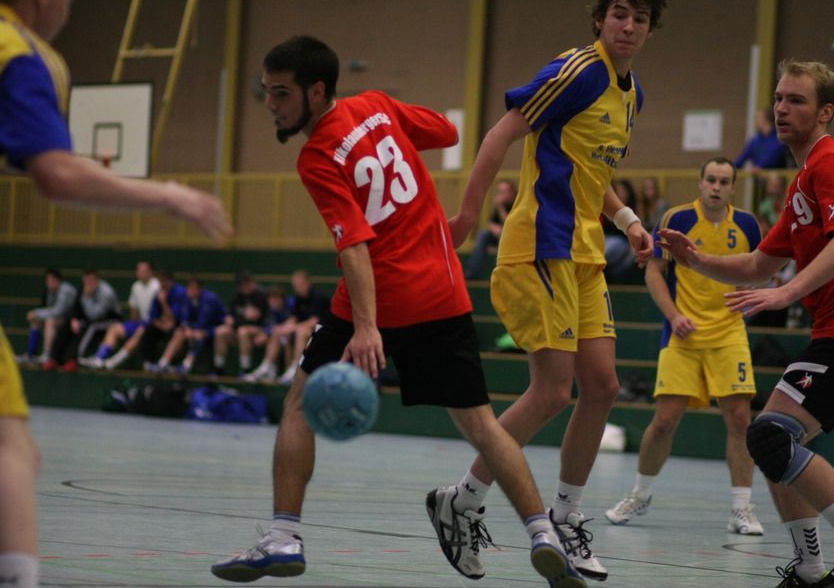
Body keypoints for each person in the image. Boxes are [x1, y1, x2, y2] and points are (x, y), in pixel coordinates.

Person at [210, 35, 586, 587]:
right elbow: (448, 132)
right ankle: (542, 533)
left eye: (282, 93)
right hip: (443, 289)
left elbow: (354, 243)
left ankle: (284, 536)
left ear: (317, 92)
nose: (271, 104)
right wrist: (392, 135)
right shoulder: (377, 105)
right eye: (266, 92)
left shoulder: (316, 157)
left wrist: (366, 327)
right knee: (483, 426)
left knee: (299, 403)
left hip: (380, 293)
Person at [0, 0, 230, 585]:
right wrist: (170, 195)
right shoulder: (19, 54)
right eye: (71, 0)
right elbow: (55, 177)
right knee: (11, 447)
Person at [439, 0, 663, 582]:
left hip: (585, 252)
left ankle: (565, 517)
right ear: (599, 20)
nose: (628, 26)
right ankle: (462, 501)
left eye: (640, 19)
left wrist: (628, 221)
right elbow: (500, 134)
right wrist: (469, 216)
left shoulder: (632, 95)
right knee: (552, 392)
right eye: (619, 14)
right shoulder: (577, 71)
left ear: (650, 31)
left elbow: (591, 173)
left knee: (603, 387)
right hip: (540, 242)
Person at [659, 59, 834, 588]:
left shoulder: (831, 162)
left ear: (825, 112)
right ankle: (811, 569)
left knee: (770, 433)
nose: (781, 108)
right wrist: (694, 259)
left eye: (796, 100)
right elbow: (757, 264)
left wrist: (788, 291)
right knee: (769, 437)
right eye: (778, 98)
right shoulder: (802, 182)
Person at [605, 158, 765, 536]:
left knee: (740, 420)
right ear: (700, 183)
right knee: (664, 422)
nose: (716, 187)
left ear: (733, 187)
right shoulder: (676, 219)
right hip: (683, 334)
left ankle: (741, 508)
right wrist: (674, 316)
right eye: (711, 179)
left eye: (724, 181)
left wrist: (752, 294)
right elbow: (654, 272)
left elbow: (761, 270)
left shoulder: (747, 225)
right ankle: (640, 495)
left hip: (729, 334)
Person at [242, 270, 328, 384]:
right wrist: (284, 327)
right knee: (278, 331)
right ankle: (266, 367)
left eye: (301, 285)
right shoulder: (298, 298)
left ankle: (296, 369)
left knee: (301, 332)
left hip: (322, 332)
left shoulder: (318, 296)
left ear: (308, 283)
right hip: (301, 329)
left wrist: (294, 327)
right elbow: (294, 317)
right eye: (296, 286)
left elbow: (315, 321)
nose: (298, 288)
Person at [80, 260, 159, 369]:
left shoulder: (157, 286)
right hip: (140, 322)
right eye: (139, 271)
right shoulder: (136, 286)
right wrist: (133, 325)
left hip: (153, 324)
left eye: (144, 271)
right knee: (114, 328)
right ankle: (99, 358)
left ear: (151, 272)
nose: (141, 273)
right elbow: (134, 310)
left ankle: (114, 362)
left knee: (140, 331)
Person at [145, 276, 226, 375]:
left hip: (213, 329)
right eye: (189, 288)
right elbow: (185, 319)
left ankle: (186, 365)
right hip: (196, 329)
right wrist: (187, 328)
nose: (190, 291)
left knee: (198, 335)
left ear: (199, 289)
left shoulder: (209, 299)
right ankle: (163, 364)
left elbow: (204, 322)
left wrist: (193, 331)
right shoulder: (187, 298)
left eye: (193, 289)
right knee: (180, 332)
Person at [46, 268, 120, 371]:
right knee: (68, 324)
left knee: (90, 327)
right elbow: (75, 308)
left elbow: (94, 315)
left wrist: (86, 297)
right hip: (89, 319)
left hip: (109, 321)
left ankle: (75, 359)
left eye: (91, 281)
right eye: (86, 281)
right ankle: (53, 358)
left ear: (97, 280)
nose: (88, 284)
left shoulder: (106, 293)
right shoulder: (83, 288)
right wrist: (74, 319)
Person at [213, 271, 268, 375]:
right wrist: (240, 320)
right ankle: (218, 368)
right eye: (241, 285)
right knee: (221, 331)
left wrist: (238, 321)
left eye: (246, 284)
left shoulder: (260, 296)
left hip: (257, 331)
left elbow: (257, 320)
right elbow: (230, 318)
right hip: (237, 329)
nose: (243, 287)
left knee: (243, 331)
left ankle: (245, 369)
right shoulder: (237, 296)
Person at [19, 268, 76, 365]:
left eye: (52, 279)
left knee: (50, 321)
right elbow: (48, 309)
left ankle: (47, 355)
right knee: (36, 321)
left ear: (58, 280)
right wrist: (37, 315)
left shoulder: (65, 290)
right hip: (60, 319)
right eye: (48, 280)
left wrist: (37, 313)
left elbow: (59, 311)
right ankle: (31, 354)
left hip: (72, 321)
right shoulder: (49, 291)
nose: (49, 282)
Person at [464, 178, 517, 280]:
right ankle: (474, 272)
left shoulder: (516, 204)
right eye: (500, 192)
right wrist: (495, 228)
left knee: (502, 236)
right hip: (498, 234)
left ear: (511, 192)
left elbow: (509, 223)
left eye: (504, 192)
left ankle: (499, 273)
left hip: (512, 237)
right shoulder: (500, 205)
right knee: (483, 234)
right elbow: (491, 223)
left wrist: (500, 207)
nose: (501, 195)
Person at [602, 178, 641, 283]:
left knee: (611, 246)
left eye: (623, 191)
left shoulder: (632, 210)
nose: (620, 194)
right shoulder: (607, 207)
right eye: (618, 191)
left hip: (623, 242)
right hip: (606, 239)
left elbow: (636, 230)